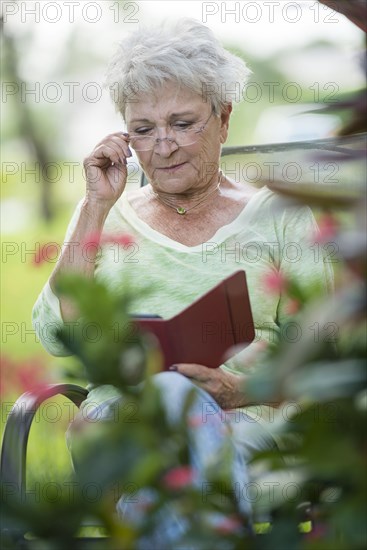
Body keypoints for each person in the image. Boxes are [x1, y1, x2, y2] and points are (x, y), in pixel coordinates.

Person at [32, 18, 333, 540]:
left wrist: (240, 389)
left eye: (183, 123)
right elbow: (57, 333)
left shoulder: (281, 216)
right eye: (143, 130)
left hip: (249, 416)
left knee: (176, 418)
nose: (163, 146)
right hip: (122, 419)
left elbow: (322, 353)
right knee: (166, 402)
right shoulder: (106, 216)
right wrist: (93, 207)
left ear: (224, 119)